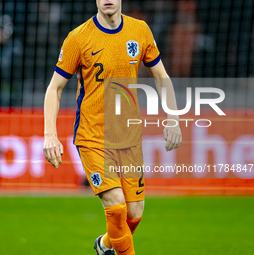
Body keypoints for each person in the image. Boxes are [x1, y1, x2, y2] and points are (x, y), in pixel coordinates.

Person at [43, 1, 182, 254]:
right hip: (92, 136)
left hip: (127, 136)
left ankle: (104, 244)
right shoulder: (78, 37)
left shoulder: (139, 30)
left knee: (134, 214)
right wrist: (49, 135)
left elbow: (162, 77)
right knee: (116, 206)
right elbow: (55, 87)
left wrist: (173, 118)